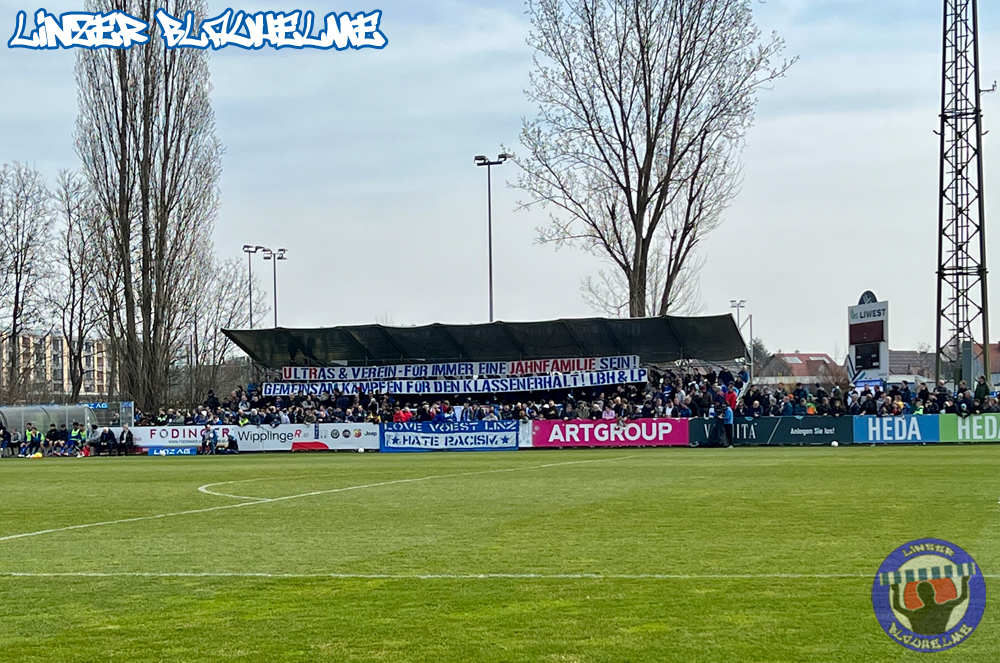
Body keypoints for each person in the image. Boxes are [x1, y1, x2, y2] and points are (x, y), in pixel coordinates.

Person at [891, 577, 969, 635]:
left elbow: (897, 606)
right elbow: (963, 596)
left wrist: (896, 590)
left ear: (919, 596)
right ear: (933, 592)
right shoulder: (944, 608)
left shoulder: (915, 614)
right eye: (923, 593)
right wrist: (964, 581)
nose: (924, 596)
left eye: (923, 593)